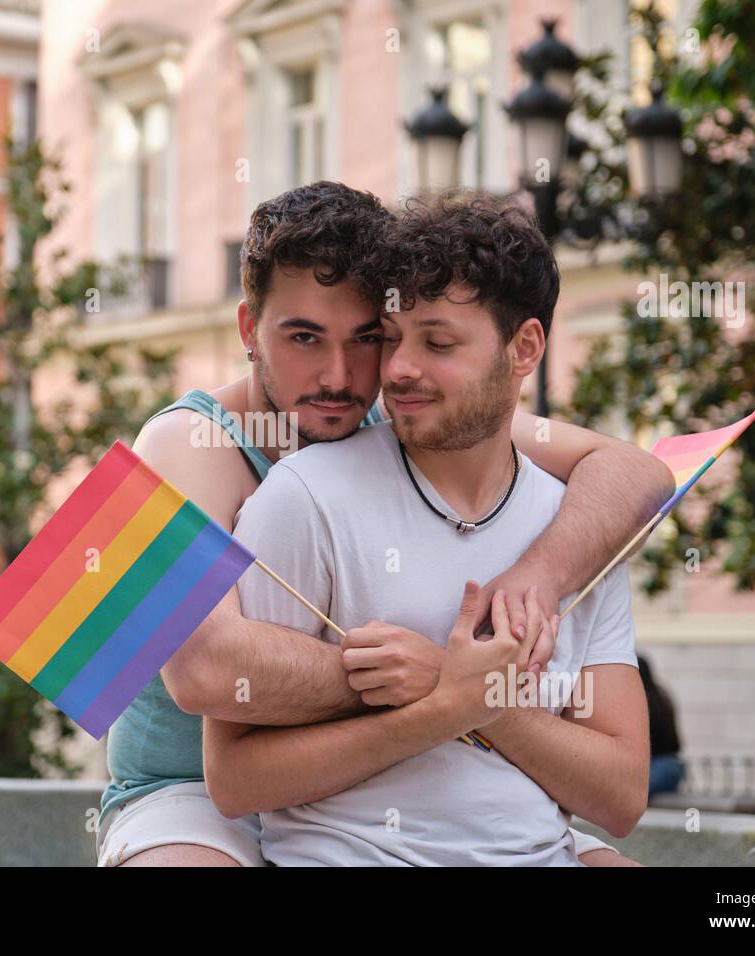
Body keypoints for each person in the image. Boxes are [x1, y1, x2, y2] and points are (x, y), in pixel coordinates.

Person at [97, 183, 672, 867]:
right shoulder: (184, 444)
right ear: (250, 331)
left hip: (384, 782)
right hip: (188, 794)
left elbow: (637, 472)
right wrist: (444, 685)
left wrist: (539, 576)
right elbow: (205, 672)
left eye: (366, 339)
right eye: (304, 338)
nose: (338, 377)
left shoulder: (396, 409)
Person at [639, 655, 685, 796]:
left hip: (660, 764)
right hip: (670, 764)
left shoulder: (647, 700)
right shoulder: (661, 695)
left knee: (632, 792)